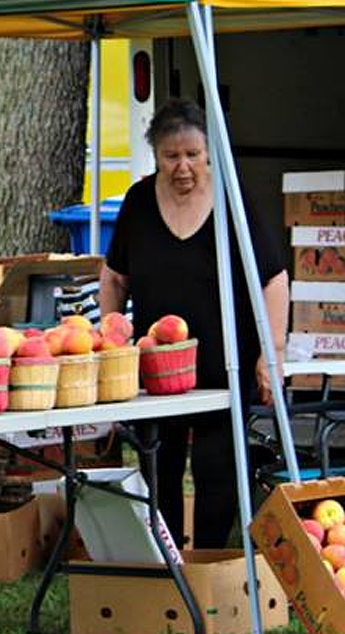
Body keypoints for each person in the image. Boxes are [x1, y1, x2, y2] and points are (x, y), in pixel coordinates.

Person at [97, 97, 290, 549]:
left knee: (216, 466)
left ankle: (205, 559)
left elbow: (273, 278)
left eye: (192, 155)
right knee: (158, 464)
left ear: (208, 155)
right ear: (156, 157)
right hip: (156, 368)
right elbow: (114, 276)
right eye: (171, 156)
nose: (183, 166)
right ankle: (166, 559)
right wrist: (110, 334)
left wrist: (271, 352)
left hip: (225, 361)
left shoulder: (231, 199)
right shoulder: (140, 201)